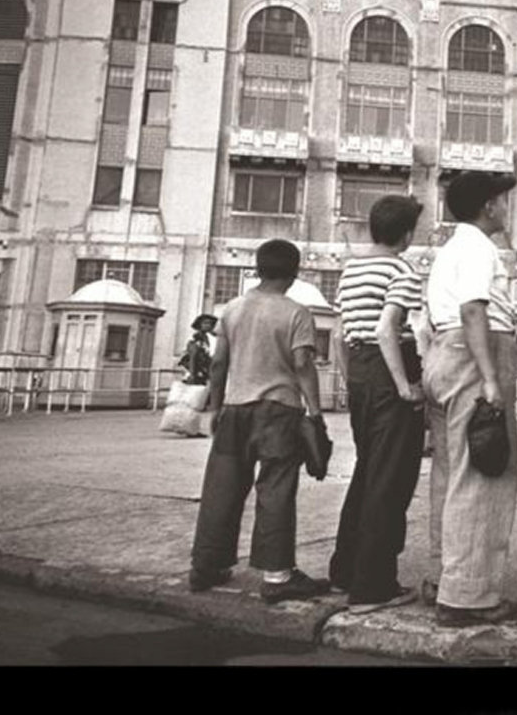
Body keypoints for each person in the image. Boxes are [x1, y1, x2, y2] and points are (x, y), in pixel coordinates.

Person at [187, 239, 331, 602]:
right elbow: (302, 365)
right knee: (276, 489)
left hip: (235, 409)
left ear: (257, 268)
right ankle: (278, 577)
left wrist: (215, 407)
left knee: (222, 488)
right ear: (295, 272)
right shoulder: (296, 313)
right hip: (279, 411)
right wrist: (314, 412)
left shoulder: (233, 309)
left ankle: (206, 566)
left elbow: (219, 363)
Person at [422, 171, 517, 628]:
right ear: (488, 206)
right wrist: (489, 380)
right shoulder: (479, 248)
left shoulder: (450, 249)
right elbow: (473, 309)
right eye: (502, 201)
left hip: (445, 352)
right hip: (475, 353)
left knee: (450, 472)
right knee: (484, 475)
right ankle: (468, 597)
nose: (506, 209)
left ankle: (444, 576)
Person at [328, 195, 428, 614]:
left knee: (368, 471)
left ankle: (345, 570)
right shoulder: (401, 268)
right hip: (391, 370)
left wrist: (355, 378)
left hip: (361, 372)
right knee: (390, 479)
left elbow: (337, 334)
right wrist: (404, 385)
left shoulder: (352, 270)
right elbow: (389, 328)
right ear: (406, 233)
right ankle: (373, 586)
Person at [160, 313, 218, 437]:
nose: (208, 325)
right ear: (200, 326)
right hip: (196, 372)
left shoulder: (208, 339)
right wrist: (192, 373)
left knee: (196, 401)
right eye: (205, 323)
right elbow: (193, 356)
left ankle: (189, 427)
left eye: (210, 323)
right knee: (193, 402)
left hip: (201, 372)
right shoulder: (196, 339)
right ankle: (188, 427)